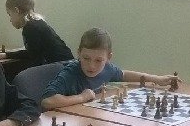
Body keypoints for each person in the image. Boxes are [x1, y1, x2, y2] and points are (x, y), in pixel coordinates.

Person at [40, 27, 179, 110]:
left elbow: (123, 75)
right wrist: (82, 97)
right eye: (86, 58)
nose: (91, 65)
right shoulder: (70, 73)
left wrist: (156, 79)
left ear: (108, 58)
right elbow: (47, 101)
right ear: (78, 53)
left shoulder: (107, 69)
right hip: (68, 122)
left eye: (98, 60)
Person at [0, 0, 73, 65]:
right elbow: (32, 52)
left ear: (17, 11)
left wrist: (5, 55)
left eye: (10, 15)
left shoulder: (30, 27)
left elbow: (32, 56)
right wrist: (4, 54)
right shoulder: (38, 22)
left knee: (20, 75)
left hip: (61, 66)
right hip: (67, 62)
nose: (10, 20)